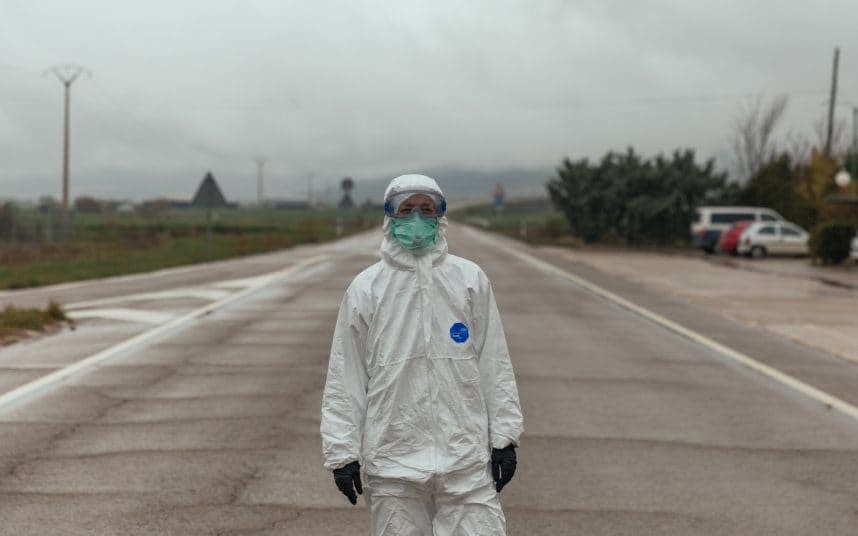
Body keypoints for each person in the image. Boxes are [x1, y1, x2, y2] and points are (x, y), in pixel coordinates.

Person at [320, 174, 524, 535]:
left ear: (440, 217)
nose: (417, 219)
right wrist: (342, 452)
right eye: (407, 209)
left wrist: (504, 439)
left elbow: (494, 363)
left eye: (426, 210)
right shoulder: (367, 289)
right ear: (389, 218)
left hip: (465, 461)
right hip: (394, 463)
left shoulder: (469, 280)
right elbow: (346, 376)